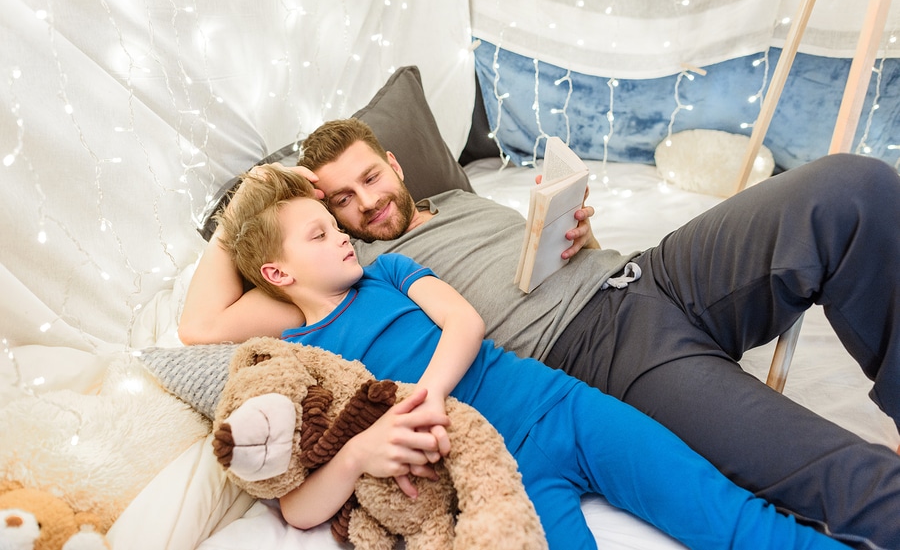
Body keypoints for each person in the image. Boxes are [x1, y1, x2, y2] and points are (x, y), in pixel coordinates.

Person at [180, 118, 900, 549]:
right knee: (850, 482)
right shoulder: (358, 268)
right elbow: (200, 323)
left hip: (648, 274)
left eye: (371, 178)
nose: (365, 203)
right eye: (339, 200)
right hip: (598, 351)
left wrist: (581, 235)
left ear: (395, 165)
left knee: (848, 191)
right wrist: (267, 190)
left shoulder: (459, 195)